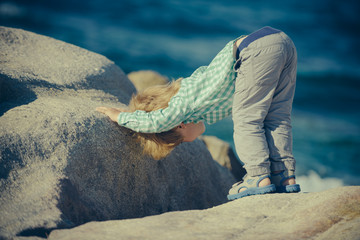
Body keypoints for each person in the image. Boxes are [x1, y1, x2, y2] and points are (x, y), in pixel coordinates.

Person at [96, 26, 301, 200]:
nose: (191, 141)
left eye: (183, 141)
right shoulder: (196, 96)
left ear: (178, 125)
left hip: (255, 50)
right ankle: (283, 176)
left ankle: (257, 176)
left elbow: (156, 122)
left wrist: (120, 117)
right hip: (282, 43)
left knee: (246, 119)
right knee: (276, 118)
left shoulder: (181, 103)